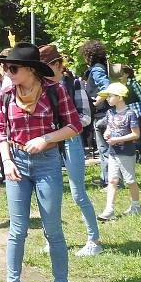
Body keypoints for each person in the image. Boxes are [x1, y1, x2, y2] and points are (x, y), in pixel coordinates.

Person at [0, 43, 82, 282]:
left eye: (13, 68)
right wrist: (7, 161)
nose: (7, 72)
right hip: (17, 163)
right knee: (17, 230)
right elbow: (1, 131)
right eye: (6, 67)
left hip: (47, 163)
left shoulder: (55, 91)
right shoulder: (6, 94)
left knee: (52, 228)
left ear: (31, 70)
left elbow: (74, 126)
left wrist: (46, 139)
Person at [39, 45, 102, 256]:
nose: (42, 72)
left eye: (46, 67)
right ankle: (53, 240)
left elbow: (85, 117)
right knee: (49, 195)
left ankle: (93, 240)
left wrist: (64, 127)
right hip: (49, 145)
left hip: (70, 141)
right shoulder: (41, 87)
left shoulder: (74, 84)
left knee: (78, 193)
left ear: (58, 65)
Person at [97, 83, 141, 220]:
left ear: (120, 97)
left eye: (110, 96)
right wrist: (107, 132)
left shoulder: (130, 114)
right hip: (113, 153)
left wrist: (117, 140)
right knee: (112, 180)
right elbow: (110, 127)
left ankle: (136, 206)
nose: (107, 99)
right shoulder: (110, 112)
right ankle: (109, 210)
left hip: (126, 152)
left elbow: (136, 134)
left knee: (130, 181)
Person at [79, 40, 111, 186]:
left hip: (102, 114)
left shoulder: (97, 70)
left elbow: (107, 87)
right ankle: (106, 179)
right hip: (103, 114)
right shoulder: (102, 67)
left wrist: (97, 101)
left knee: (105, 149)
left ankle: (111, 181)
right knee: (104, 149)